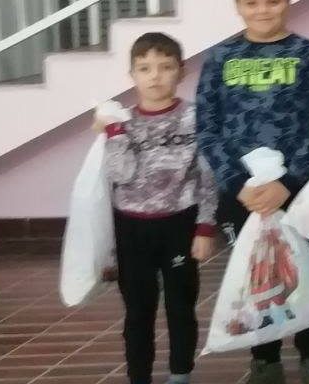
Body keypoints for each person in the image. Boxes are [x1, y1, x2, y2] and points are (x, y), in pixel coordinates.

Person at [195, 0, 309, 384]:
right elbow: (207, 127)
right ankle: (264, 360)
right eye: (252, 2)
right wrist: (238, 184)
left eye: (272, 1)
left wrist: (289, 182)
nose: (263, 10)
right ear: (238, 5)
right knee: (256, 275)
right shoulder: (221, 58)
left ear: (287, 1)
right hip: (244, 195)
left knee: (302, 270)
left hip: (298, 190)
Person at [97, 32, 216, 384]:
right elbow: (120, 174)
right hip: (132, 228)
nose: (155, 76)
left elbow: (208, 175)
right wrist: (115, 133)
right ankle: (139, 377)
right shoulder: (121, 122)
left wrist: (205, 226)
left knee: (181, 305)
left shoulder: (195, 118)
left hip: (180, 224)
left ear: (181, 71)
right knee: (138, 310)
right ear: (132, 74)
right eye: (145, 68)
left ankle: (180, 374)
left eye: (165, 67)